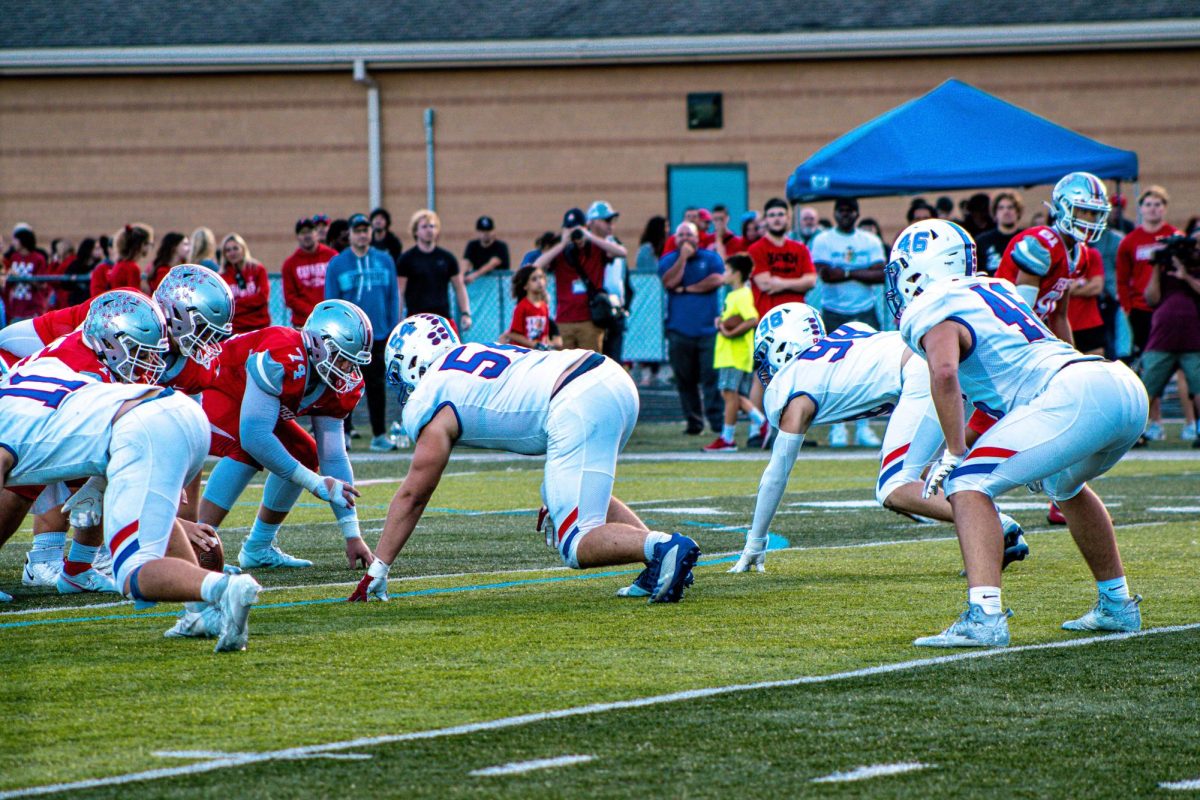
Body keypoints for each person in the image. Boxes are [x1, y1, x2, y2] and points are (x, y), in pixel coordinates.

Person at [887, 218, 1146, 647]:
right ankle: (1117, 605)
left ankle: (984, 617)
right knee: (1065, 484)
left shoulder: (931, 304)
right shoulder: (996, 288)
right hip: (1116, 386)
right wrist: (964, 444)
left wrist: (953, 451)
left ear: (919, 269)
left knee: (966, 483)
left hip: (1070, 393)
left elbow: (945, 371)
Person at [348, 314, 700, 604]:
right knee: (573, 493)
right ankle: (658, 562)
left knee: (575, 543)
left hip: (576, 399)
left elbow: (414, 495)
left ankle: (663, 547)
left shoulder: (431, 393)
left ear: (411, 362)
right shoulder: (474, 350)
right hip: (610, 377)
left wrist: (378, 567)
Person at [727, 301, 1027, 574]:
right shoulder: (851, 331)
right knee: (924, 474)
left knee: (893, 486)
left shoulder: (793, 384)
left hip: (921, 375)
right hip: (938, 358)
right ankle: (993, 539)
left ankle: (997, 526)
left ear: (782, 345)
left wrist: (756, 540)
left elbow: (776, 473)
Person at [0, 369, 261, 651]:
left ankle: (224, 588)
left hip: (140, 431)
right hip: (179, 409)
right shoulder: (27, 377)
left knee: (133, 572)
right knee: (145, 519)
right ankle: (202, 613)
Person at [196, 300, 373, 572]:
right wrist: (314, 483)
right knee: (247, 451)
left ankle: (258, 547)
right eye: (343, 358)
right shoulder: (284, 353)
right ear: (318, 343)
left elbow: (334, 457)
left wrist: (352, 534)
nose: (347, 370)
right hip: (217, 387)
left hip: (250, 404)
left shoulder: (337, 383)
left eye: (353, 362)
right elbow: (254, 436)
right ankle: (196, 549)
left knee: (304, 453)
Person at [810, 197, 887, 448]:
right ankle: (838, 426)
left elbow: (879, 274)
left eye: (849, 211)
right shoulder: (823, 240)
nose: (845, 215)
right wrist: (858, 273)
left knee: (868, 369)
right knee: (833, 370)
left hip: (864, 310)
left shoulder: (870, 241)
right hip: (834, 311)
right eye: (841, 211)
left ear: (856, 214)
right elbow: (825, 275)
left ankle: (863, 426)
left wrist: (845, 271)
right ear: (834, 214)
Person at [325, 213, 401, 452]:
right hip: (348, 338)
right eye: (357, 230)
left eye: (365, 230)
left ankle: (379, 435)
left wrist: (391, 328)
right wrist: (334, 333)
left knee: (377, 386)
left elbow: (392, 297)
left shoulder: (384, 260)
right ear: (350, 234)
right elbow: (332, 300)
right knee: (343, 385)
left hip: (377, 335)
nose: (362, 234)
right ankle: (344, 434)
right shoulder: (338, 263)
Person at [1116, 186, 1178, 440]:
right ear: (1141, 209)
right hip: (1142, 310)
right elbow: (1122, 279)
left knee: (1178, 365)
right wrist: (1129, 307)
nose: (1153, 209)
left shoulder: (1174, 236)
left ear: (1164, 208)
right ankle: (1154, 420)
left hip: (1170, 310)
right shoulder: (1130, 241)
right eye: (1149, 204)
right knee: (1149, 365)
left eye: (1158, 204)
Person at [659, 221, 725, 435]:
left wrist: (687, 288)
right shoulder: (668, 260)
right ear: (675, 239)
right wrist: (683, 258)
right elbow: (669, 282)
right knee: (685, 380)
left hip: (708, 331)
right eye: (681, 235)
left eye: (690, 234)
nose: (686, 238)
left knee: (711, 379)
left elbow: (717, 280)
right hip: (679, 331)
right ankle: (694, 422)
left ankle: (717, 423)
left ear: (698, 237)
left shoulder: (711, 258)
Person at [534, 207, 625, 353]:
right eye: (571, 229)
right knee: (564, 368)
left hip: (590, 320)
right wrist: (562, 243)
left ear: (585, 227)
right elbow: (536, 266)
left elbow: (621, 252)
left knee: (589, 369)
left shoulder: (596, 248)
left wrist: (589, 236)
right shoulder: (561, 253)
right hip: (564, 321)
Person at [1139, 229, 1200, 447]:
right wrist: (1157, 266)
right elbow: (1151, 298)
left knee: (1198, 385)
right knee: (1147, 387)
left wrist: (1186, 276)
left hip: (1194, 338)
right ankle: (1135, 431)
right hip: (1163, 336)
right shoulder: (1166, 268)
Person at [703, 254, 764, 452]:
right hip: (729, 354)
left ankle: (727, 438)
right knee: (730, 394)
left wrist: (730, 332)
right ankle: (761, 422)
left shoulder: (742, 294)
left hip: (735, 353)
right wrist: (721, 322)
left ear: (737, 274)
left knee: (730, 395)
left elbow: (752, 319)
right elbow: (732, 318)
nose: (723, 274)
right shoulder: (733, 295)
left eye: (727, 270)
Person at [396, 209, 472, 332]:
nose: (429, 230)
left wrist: (466, 313)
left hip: (443, 320)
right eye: (424, 226)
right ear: (416, 231)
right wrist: (398, 320)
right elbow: (400, 292)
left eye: (432, 226)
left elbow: (459, 287)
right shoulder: (406, 260)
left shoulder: (447, 258)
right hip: (416, 321)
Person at [281, 217, 338, 328]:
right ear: (297, 237)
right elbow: (290, 298)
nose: (307, 236)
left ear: (316, 233)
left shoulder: (332, 256)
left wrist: (328, 310)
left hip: (330, 319)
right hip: (303, 322)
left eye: (310, 231)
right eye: (302, 233)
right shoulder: (290, 264)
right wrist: (313, 311)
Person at [219, 233, 271, 334]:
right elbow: (224, 309)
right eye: (228, 250)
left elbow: (263, 297)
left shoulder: (257, 269)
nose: (232, 253)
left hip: (260, 326)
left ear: (243, 249)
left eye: (235, 248)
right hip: (237, 330)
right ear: (224, 254)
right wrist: (251, 302)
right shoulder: (221, 277)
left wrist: (237, 303)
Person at [1066, 245, 1107, 355]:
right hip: (1061, 324)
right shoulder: (1052, 255)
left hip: (1089, 324)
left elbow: (1096, 288)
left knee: (1096, 365)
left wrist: (1065, 290)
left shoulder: (1091, 254)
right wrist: (1081, 282)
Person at [504, 265, 557, 349]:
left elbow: (544, 334)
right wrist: (534, 345)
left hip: (537, 353)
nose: (539, 281)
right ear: (525, 286)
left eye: (541, 277)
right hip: (523, 353)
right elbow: (513, 334)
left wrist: (547, 345)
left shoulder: (544, 306)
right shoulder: (522, 306)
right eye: (534, 279)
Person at [3, 226, 49, 322]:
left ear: (22, 241)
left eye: (15, 240)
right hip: (16, 308)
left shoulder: (38, 259)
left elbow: (42, 284)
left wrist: (19, 277)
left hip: (33, 309)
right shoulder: (14, 257)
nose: (13, 243)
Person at [974, 192, 1024, 276]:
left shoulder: (1028, 238)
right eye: (1001, 208)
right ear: (995, 213)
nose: (1006, 211)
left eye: (1010, 207)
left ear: (1018, 212)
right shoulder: (982, 241)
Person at [107, 223, 154, 293]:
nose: (149, 247)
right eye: (147, 243)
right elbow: (135, 296)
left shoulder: (119, 265)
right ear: (140, 245)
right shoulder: (132, 268)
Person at [462, 215, 510, 284]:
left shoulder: (501, 246)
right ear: (477, 232)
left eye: (488, 231)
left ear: (493, 231)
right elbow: (465, 262)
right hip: (480, 284)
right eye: (482, 231)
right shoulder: (472, 245)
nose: (485, 234)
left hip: (498, 284)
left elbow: (492, 264)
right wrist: (461, 275)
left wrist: (474, 275)